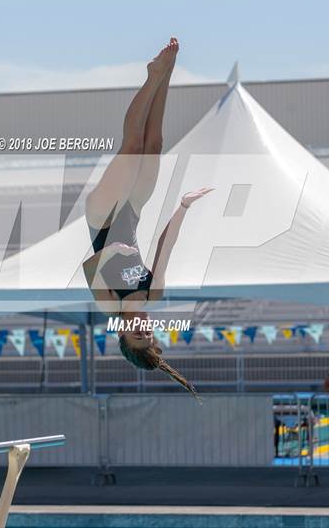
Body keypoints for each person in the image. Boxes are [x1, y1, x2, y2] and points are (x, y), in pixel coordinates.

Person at [84, 38, 213, 400]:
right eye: (150, 333)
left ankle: (152, 77)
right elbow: (164, 246)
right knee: (155, 144)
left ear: (122, 336)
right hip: (134, 212)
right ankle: (166, 74)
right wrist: (184, 207)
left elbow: (91, 266)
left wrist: (112, 253)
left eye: (138, 335)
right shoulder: (152, 294)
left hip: (103, 217)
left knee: (133, 147)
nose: (145, 328)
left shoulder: (110, 305)